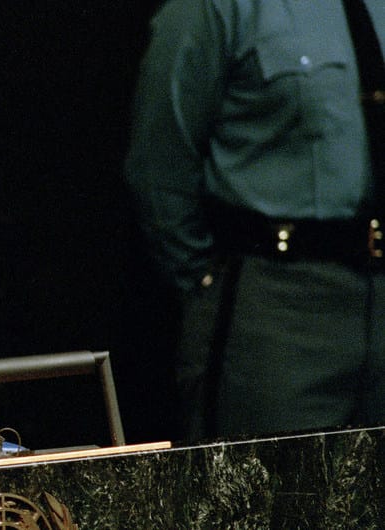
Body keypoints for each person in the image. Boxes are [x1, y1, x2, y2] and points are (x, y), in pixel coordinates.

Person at [126, 0, 385, 441]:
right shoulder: (216, 7)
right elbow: (158, 168)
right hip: (277, 309)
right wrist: (204, 282)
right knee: (271, 480)